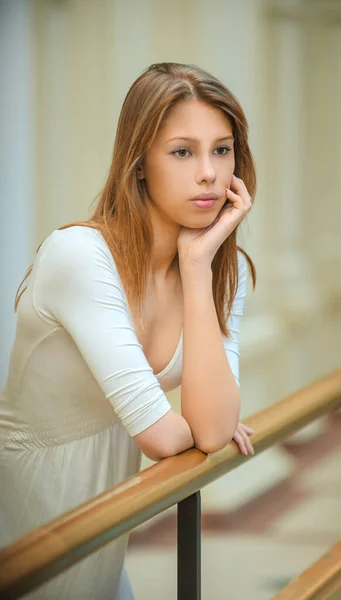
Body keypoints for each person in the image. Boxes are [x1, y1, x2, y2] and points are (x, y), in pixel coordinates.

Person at [0, 62, 257, 599]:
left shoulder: (220, 272)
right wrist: (192, 418)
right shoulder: (81, 257)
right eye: (182, 152)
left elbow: (208, 431)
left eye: (222, 149)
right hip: (26, 523)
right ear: (139, 164)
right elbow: (165, 437)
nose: (208, 172)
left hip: (105, 526)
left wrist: (195, 269)